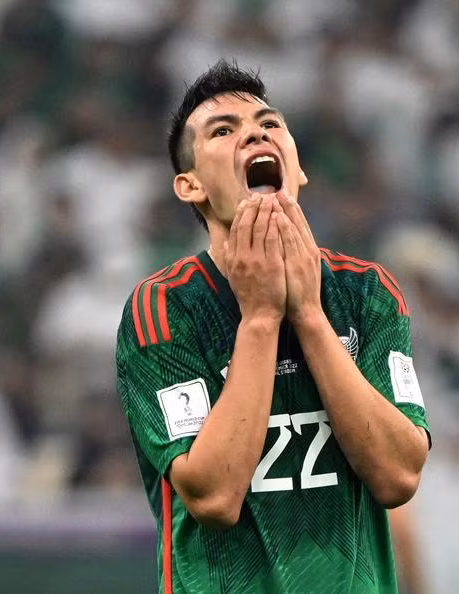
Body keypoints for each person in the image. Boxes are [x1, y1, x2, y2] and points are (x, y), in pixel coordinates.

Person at [115, 59, 430, 594]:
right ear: (191, 186)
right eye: (223, 131)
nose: (254, 134)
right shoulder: (165, 309)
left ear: (298, 168)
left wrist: (308, 314)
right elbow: (215, 497)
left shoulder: (367, 292)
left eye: (269, 123)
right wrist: (261, 318)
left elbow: (399, 477)